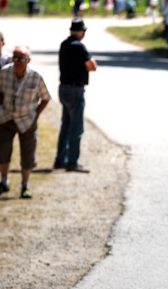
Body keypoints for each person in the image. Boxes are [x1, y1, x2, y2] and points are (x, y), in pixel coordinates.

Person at [0, 46, 51, 199]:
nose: (17, 61)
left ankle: (25, 185)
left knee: (27, 155)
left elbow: (46, 98)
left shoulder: (36, 76)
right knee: (3, 151)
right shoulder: (3, 73)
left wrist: (36, 115)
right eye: (14, 58)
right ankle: (4, 181)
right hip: (6, 118)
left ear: (28, 60)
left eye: (21, 58)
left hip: (27, 121)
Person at [54, 18, 97, 173]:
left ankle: (60, 159)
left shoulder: (64, 44)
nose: (84, 33)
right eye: (83, 31)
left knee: (66, 125)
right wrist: (93, 61)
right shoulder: (79, 47)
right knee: (76, 128)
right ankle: (72, 162)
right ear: (79, 32)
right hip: (75, 90)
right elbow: (92, 66)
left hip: (63, 89)